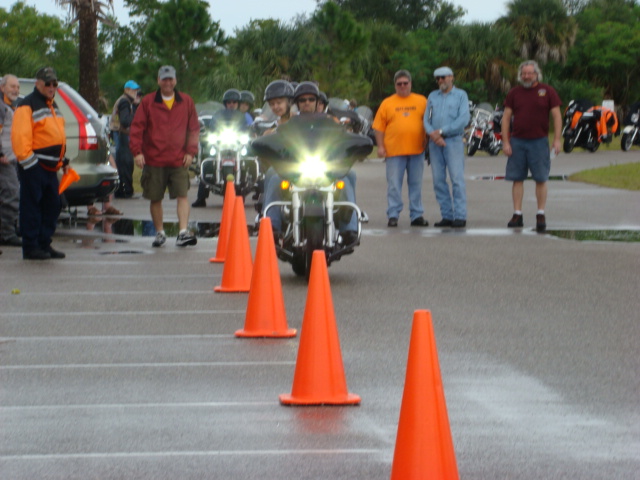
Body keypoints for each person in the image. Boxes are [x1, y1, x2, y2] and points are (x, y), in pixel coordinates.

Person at [262, 81, 358, 245]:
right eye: (302, 100)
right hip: (295, 167)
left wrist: (350, 139)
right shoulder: (290, 123)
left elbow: (343, 137)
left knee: (349, 175)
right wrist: (268, 138)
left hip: (325, 165)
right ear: (296, 103)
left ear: (317, 102)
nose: (307, 103)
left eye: (311, 99)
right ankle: (271, 226)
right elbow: (275, 137)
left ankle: (349, 227)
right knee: (273, 175)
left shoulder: (329, 121)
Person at [129, 65, 200, 247]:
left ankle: (183, 232)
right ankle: (159, 233)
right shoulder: (148, 102)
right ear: (158, 80)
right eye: (164, 79)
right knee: (155, 198)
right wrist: (137, 152)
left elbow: (193, 129)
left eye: (170, 79)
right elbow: (137, 128)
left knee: (182, 195)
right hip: (154, 159)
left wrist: (191, 152)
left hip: (179, 159)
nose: (167, 83)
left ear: (175, 81)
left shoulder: (186, 101)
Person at [11, 67, 67, 260]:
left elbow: (55, 136)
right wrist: (30, 164)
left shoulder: (53, 105)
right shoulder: (27, 105)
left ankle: (44, 243)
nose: (52, 87)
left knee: (52, 206)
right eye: (48, 84)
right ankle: (31, 247)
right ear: (38, 84)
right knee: (32, 207)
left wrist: (63, 160)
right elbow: (20, 138)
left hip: (51, 168)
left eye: (54, 84)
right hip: (34, 167)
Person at [502, 60, 562, 232]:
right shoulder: (514, 93)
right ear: (520, 75)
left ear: (537, 74)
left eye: (530, 73)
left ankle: (540, 213)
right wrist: (506, 142)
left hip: (539, 141)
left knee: (541, 178)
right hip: (518, 141)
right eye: (524, 73)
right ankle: (517, 214)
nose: (526, 76)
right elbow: (506, 118)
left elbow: (557, 116)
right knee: (517, 178)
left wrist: (557, 139)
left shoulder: (548, 91)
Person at [372, 70, 428, 227]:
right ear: (395, 85)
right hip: (394, 152)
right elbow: (379, 128)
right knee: (394, 185)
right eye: (399, 84)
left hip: (417, 150)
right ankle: (393, 214)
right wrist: (381, 147)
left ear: (410, 83)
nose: (403, 86)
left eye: (405, 83)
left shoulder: (422, 101)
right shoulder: (387, 103)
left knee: (416, 184)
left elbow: (430, 122)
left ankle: (417, 215)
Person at [424, 66, 470, 228]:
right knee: (438, 181)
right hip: (435, 143)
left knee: (456, 179)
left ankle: (460, 215)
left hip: (453, 141)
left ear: (451, 77)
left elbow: (463, 119)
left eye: (443, 77)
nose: (441, 81)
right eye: (438, 78)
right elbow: (426, 120)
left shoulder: (461, 95)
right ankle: (447, 215)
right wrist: (433, 134)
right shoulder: (432, 96)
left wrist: (442, 132)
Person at [192, 88, 249, 207]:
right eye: (229, 102)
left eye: (234, 102)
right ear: (225, 104)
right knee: (207, 162)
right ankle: (201, 198)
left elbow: (247, 127)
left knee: (250, 159)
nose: (231, 104)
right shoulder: (219, 115)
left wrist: (250, 130)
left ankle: (256, 188)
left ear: (238, 104)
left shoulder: (243, 117)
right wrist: (210, 129)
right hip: (221, 144)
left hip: (237, 145)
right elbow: (213, 125)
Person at [0, 74, 22, 247]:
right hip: (4, 159)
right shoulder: (1, 108)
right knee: (11, 193)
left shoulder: (11, 107)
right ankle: (6, 234)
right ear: (2, 88)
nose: (16, 90)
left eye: (17, 87)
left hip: (13, 158)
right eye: (12, 86)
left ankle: (10, 228)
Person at [111, 80, 141, 198]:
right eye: (133, 90)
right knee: (125, 162)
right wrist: (135, 109)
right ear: (127, 90)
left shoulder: (125, 101)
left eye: (136, 90)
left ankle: (122, 190)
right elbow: (125, 121)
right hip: (122, 134)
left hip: (120, 134)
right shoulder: (124, 102)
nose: (135, 92)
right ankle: (126, 191)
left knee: (123, 162)